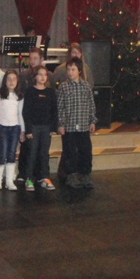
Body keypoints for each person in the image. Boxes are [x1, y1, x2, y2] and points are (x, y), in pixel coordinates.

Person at [57, 58, 97, 191]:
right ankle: (71, 175)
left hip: (84, 125)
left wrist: (92, 121)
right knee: (70, 152)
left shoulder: (86, 86)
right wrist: (61, 124)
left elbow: (91, 105)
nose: (70, 72)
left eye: (73, 69)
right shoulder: (63, 87)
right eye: (68, 69)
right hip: (69, 126)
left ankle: (84, 174)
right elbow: (60, 107)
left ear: (79, 71)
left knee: (85, 151)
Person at [23, 65, 58, 192]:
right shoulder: (30, 91)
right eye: (40, 74)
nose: (43, 77)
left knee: (44, 153)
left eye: (45, 74)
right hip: (34, 127)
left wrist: (53, 127)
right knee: (32, 153)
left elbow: (54, 111)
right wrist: (28, 129)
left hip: (46, 127)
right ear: (35, 76)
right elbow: (26, 111)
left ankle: (44, 177)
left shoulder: (50, 92)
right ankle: (29, 178)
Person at [0, 70, 25, 190]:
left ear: (17, 81)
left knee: (12, 153)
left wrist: (22, 130)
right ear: (5, 81)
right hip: (2, 127)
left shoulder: (19, 96)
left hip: (15, 127)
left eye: (14, 79)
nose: (11, 82)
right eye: (9, 79)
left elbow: (20, 114)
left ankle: (9, 180)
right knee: (2, 152)